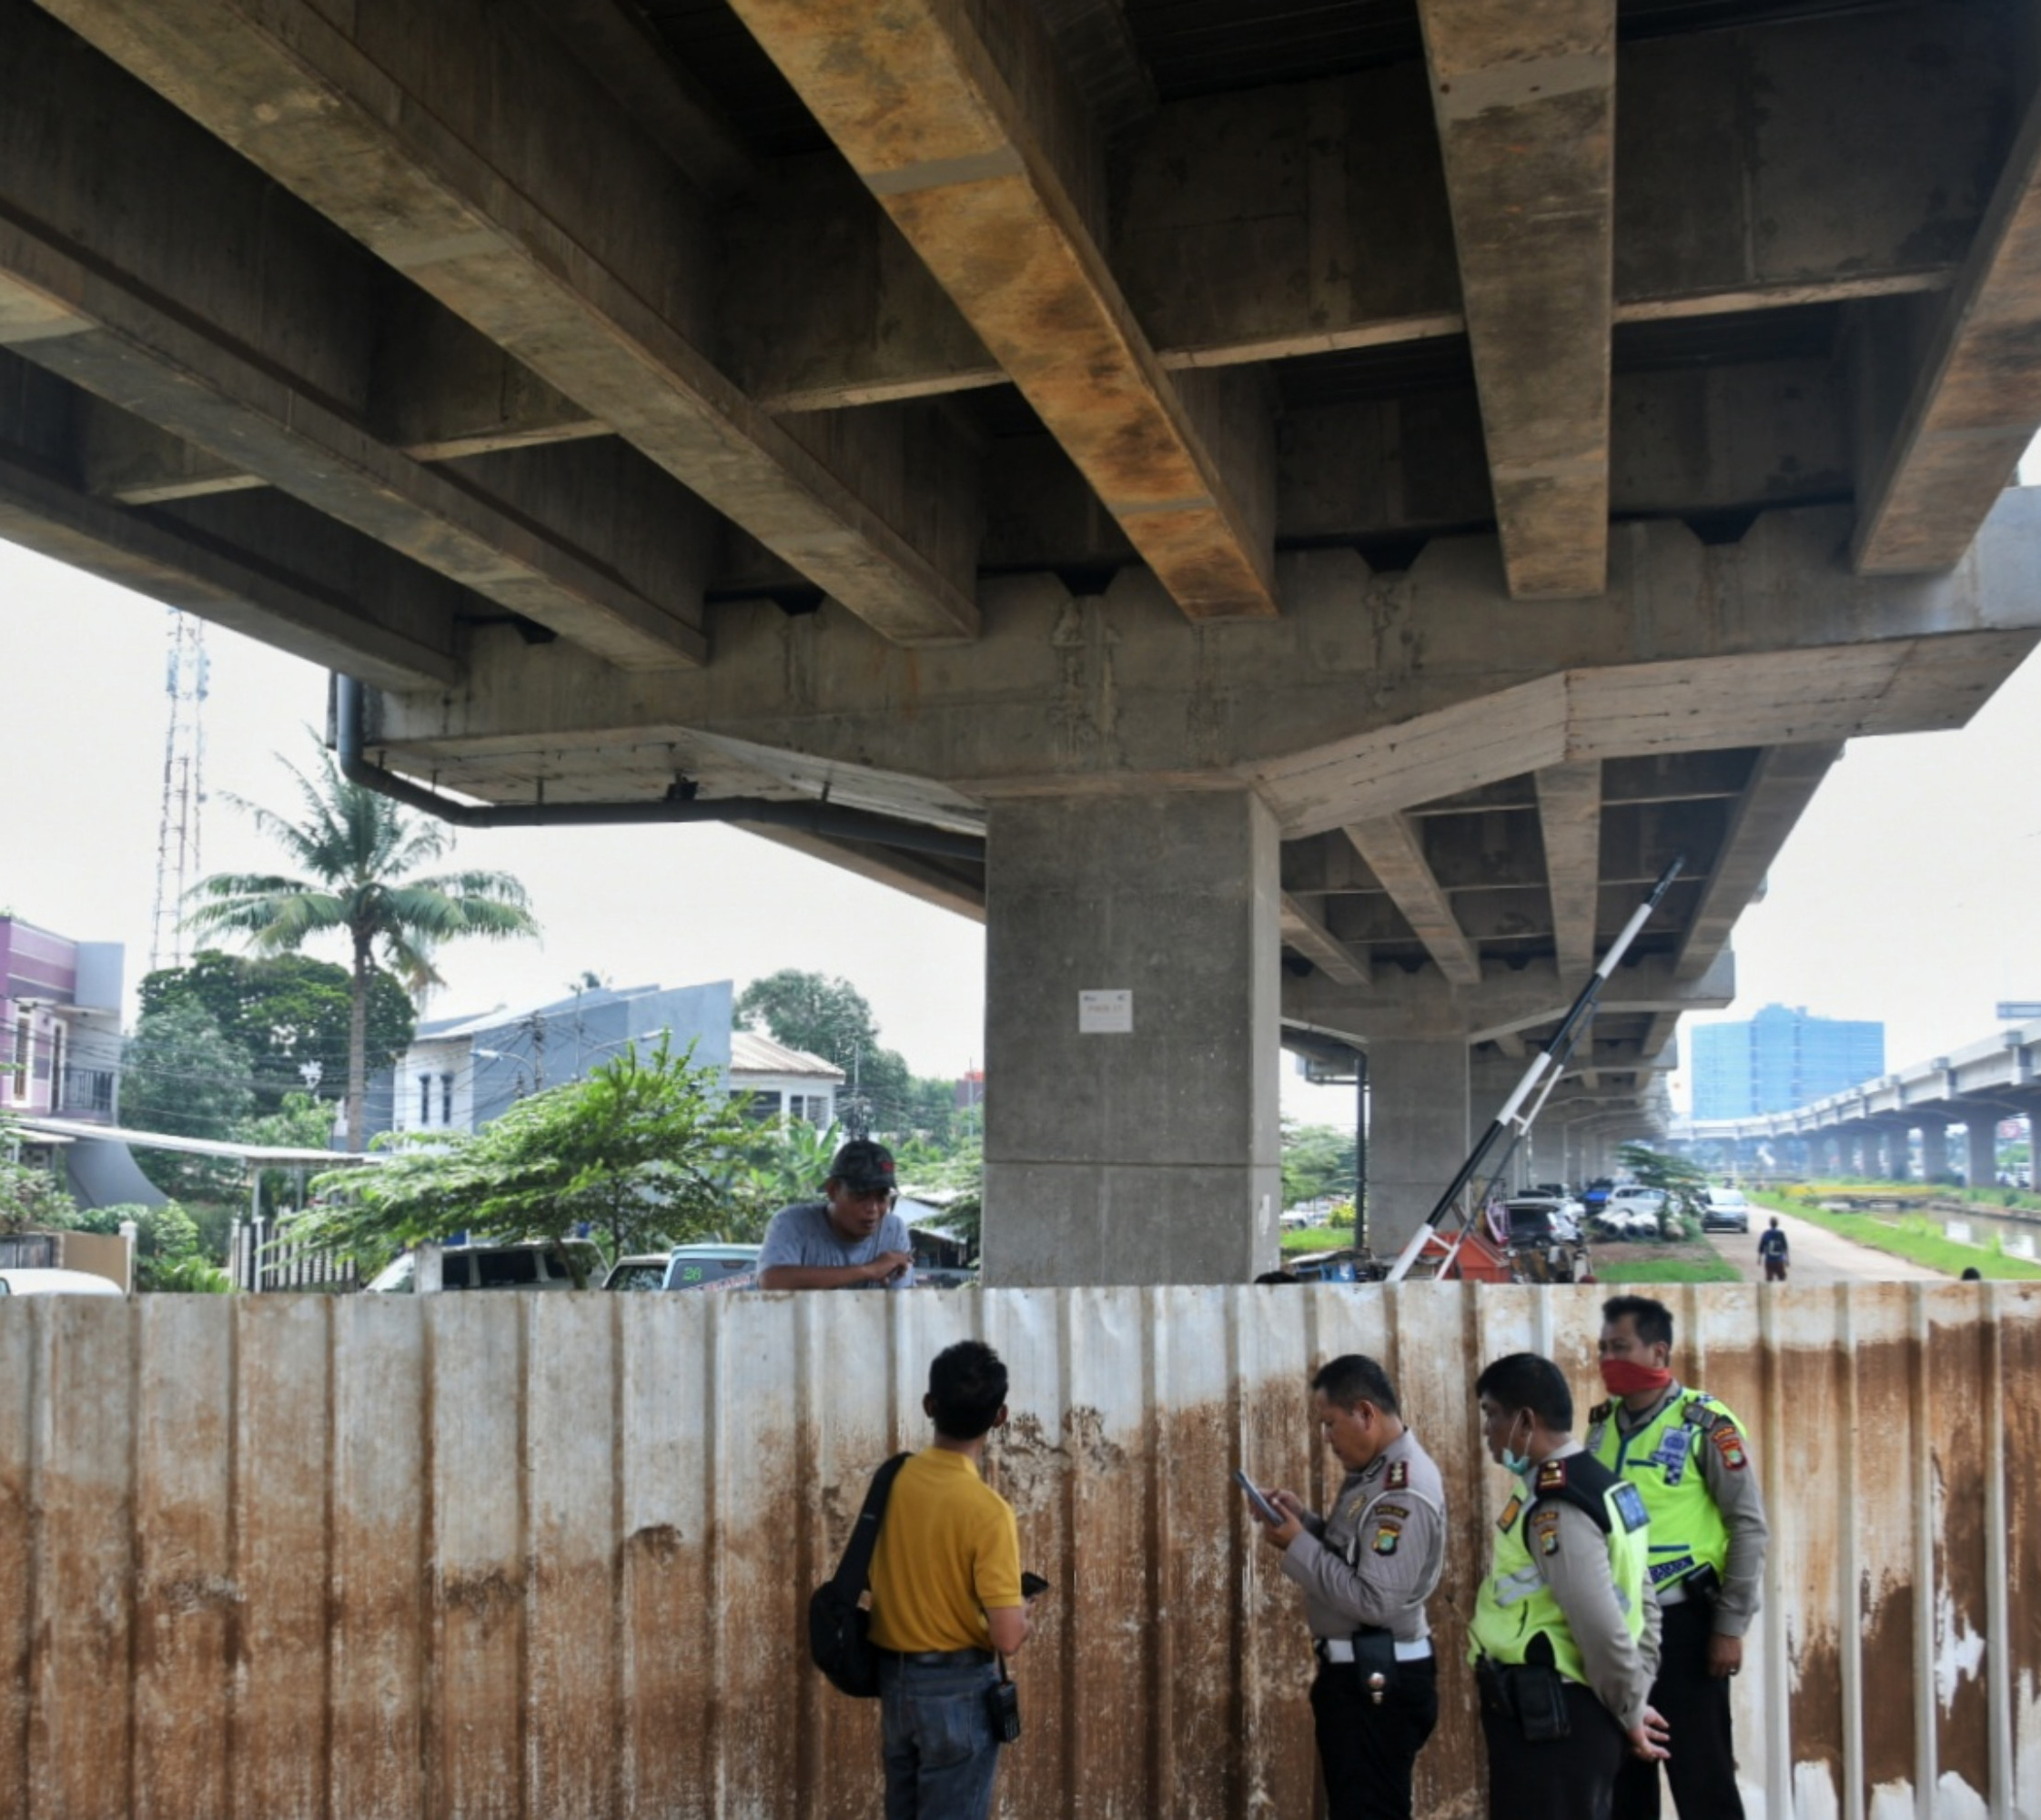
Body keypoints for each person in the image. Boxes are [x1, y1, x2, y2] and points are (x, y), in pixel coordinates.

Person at [1589, 1296, 1770, 1820]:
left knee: (1703, 1779)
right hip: (1619, 1633)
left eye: (1619, 1347)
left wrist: (1730, 1625)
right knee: (1625, 1784)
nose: (1606, 1358)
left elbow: (1748, 1525)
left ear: (1657, 1351)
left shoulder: (1705, 1424)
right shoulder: (1599, 1428)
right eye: (1602, 1348)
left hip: (1686, 1628)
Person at [1470, 1353, 1667, 1820]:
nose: (1487, 1432)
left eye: (1491, 1415)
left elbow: (1598, 1622)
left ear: (1525, 1420)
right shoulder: (1606, 1486)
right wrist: (1635, 1696)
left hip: (1557, 1719)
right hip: (1581, 1709)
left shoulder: (1557, 1504)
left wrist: (1631, 1709)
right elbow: (1647, 1605)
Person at [1255, 1355, 1448, 1820]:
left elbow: (1374, 1600)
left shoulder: (1402, 1487)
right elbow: (1355, 1560)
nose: (1326, 1438)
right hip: (1359, 1680)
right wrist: (1309, 1525)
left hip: (1378, 1685)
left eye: (1330, 1423)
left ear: (1366, 1413)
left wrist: (1298, 1545)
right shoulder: (1375, 1474)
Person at [867, 1340, 1036, 1819]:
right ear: (1000, 1417)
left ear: (929, 1405)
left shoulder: (892, 1481)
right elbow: (1006, 1638)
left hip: (897, 1685)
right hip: (958, 1694)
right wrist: (1024, 1616)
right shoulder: (988, 1512)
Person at [757, 1138, 916, 1289]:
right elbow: (771, 1281)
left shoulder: (893, 1229)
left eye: (882, 1197)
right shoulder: (792, 1223)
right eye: (861, 1195)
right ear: (832, 1190)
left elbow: (901, 1307)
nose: (873, 1209)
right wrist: (868, 1271)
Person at [1756, 1217, 1789, 1283]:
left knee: (1769, 1278)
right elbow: (1785, 1247)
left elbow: (1761, 1247)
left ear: (1770, 1224)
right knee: (1782, 1277)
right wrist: (1787, 1259)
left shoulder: (1766, 1233)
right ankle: (1780, 1291)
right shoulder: (1781, 1234)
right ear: (1777, 1224)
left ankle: (1769, 1291)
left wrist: (1759, 1258)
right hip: (1779, 1259)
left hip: (1769, 1260)